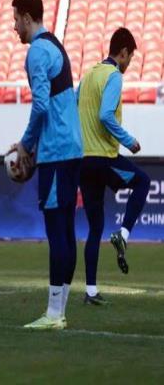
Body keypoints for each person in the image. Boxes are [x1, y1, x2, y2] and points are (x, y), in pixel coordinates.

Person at [9, 0, 83, 330]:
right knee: (66, 230)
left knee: (57, 231)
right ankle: (59, 311)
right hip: (71, 148)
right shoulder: (55, 44)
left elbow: (40, 105)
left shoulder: (38, 51)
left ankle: (54, 314)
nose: (14, 27)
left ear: (27, 17)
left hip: (57, 152)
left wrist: (26, 145)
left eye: (16, 20)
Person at [78, 27, 150, 305]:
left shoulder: (88, 76)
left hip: (84, 160)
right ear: (123, 53)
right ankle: (123, 233)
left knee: (95, 227)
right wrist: (129, 141)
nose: (129, 63)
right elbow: (106, 115)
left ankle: (90, 291)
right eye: (130, 57)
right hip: (103, 158)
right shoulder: (113, 76)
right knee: (142, 182)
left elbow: (74, 109)